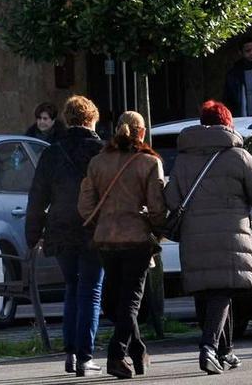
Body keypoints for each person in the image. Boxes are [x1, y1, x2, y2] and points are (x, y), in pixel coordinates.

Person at [164, 101, 252, 375]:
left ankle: (227, 351)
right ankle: (209, 347)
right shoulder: (239, 156)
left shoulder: (184, 157)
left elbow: (171, 199)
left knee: (207, 290)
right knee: (223, 290)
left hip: (194, 235)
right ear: (227, 123)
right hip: (230, 235)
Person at [78, 111, 167, 379]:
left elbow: (85, 207)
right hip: (137, 240)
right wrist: (156, 229)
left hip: (106, 239)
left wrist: (104, 221)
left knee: (115, 301)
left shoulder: (97, 162)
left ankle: (137, 351)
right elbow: (157, 209)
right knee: (129, 301)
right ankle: (117, 355)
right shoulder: (150, 162)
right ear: (142, 133)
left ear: (116, 129)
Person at [25, 95, 104, 376]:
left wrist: (32, 235)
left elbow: (37, 197)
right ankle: (85, 356)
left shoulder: (52, 152)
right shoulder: (100, 151)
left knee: (71, 287)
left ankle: (70, 354)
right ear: (91, 119)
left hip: (59, 229)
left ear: (67, 120)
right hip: (93, 228)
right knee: (91, 291)